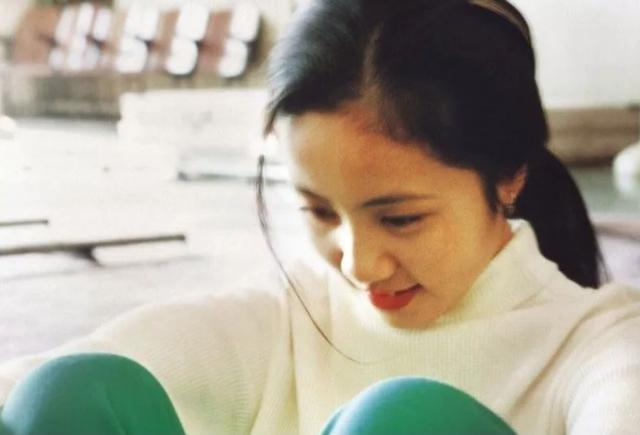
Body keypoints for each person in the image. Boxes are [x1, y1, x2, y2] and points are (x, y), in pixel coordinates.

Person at [1, 0, 639, 433]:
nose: (358, 264)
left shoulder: (597, 344)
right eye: (318, 210)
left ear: (508, 176)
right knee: (67, 393)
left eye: (401, 219)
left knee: (402, 423)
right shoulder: (290, 318)